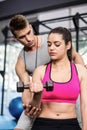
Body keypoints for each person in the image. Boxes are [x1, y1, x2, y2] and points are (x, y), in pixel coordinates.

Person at [9, 14, 84, 130]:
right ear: (15, 38)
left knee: (82, 108)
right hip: (41, 96)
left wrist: (81, 72)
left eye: (29, 32)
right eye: (22, 37)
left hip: (68, 89)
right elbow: (25, 87)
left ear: (30, 27)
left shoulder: (50, 40)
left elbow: (75, 56)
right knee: (21, 125)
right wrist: (29, 108)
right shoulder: (21, 61)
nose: (28, 39)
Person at [24, 27, 87, 130]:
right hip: (43, 124)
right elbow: (34, 109)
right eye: (49, 44)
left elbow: (85, 105)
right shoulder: (40, 71)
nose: (51, 48)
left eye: (57, 44)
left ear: (68, 45)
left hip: (71, 124)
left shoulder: (81, 71)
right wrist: (37, 94)